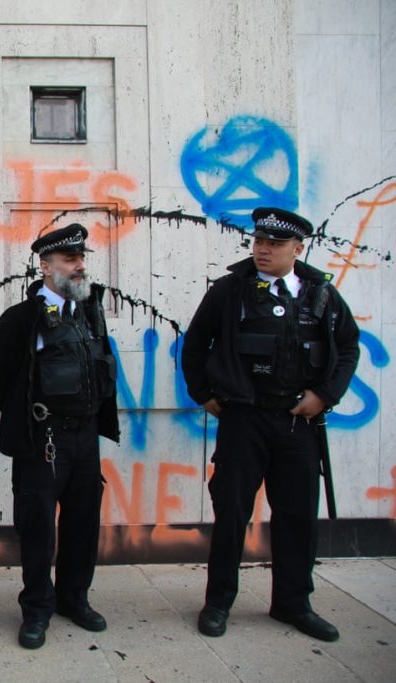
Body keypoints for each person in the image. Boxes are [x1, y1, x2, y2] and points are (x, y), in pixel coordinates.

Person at [182, 207, 360, 642]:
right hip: (245, 418)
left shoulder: (321, 295)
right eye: (259, 242)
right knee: (232, 514)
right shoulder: (230, 292)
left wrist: (324, 396)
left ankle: (293, 603)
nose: (263, 249)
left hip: (299, 423)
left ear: (298, 249)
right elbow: (194, 344)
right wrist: (203, 394)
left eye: (275, 244)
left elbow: (347, 348)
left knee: (298, 516)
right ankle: (219, 602)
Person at [0, 224, 120, 649]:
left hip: (85, 438)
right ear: (45, 266)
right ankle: (37, 608)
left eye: (82, 259)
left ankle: (74, 598)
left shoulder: (90, 312)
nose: (79, 266)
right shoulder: (21, 319)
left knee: (82, 523)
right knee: (38, 528)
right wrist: (34, 415)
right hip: (43, 439)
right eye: (69, 259)